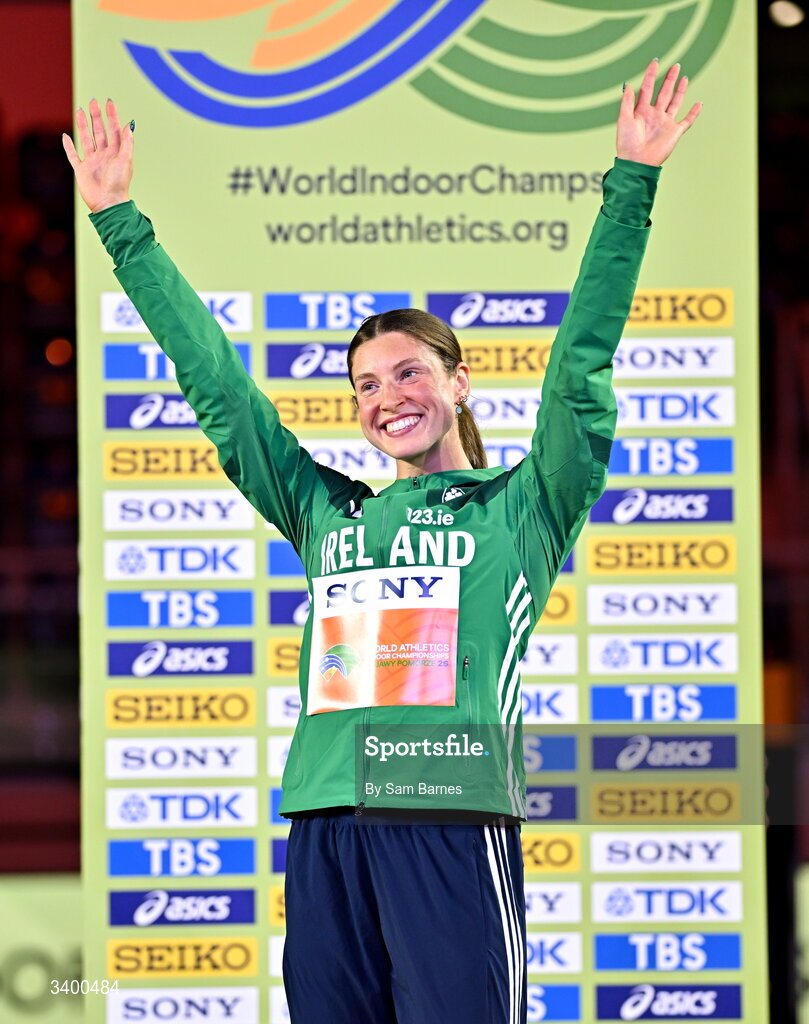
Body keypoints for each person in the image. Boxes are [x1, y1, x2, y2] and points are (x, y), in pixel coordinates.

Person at [65, 59, 700, 1024]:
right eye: (363, 384)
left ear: (458, 383)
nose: (385, 397)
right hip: (325, 823)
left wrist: (630, 184)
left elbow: (581, 366)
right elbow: (221, 393)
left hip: (448, 818)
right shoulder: (330, 512)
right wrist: (120, 223)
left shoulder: (520, 506)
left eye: (406, 373)